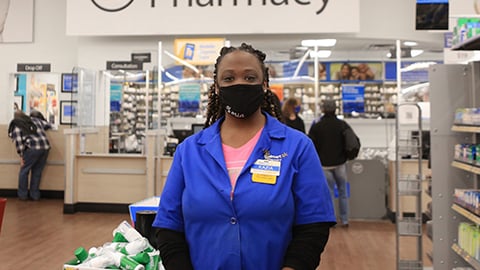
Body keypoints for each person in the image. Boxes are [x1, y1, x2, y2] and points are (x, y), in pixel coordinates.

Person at [152, 43, 336, 270]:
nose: (239, 84)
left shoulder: (298, 147)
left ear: (265, 84)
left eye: (250, 78)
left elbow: (313, 226)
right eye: (228, 79)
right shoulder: (189, 151)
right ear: (217, 87)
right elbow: (169, 226)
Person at [308, 99, 354, 227]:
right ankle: (345, 220)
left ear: (323, 109)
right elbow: (351, 142)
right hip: (340, 163)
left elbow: (311, 144)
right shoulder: (342, 124)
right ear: (335, 109)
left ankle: (331, 220)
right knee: (343, 192)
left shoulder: (317, 126)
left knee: (329, 193)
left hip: (324, 165)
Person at [8, 109, 51, 201]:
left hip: (32, 148)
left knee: (24, 171)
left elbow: (19, 142)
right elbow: (48, 125)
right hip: (45, 147)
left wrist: (22, 156)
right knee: (37, 172)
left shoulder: (16, 124)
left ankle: (23, 195)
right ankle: (35, 195)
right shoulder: (35, 120)